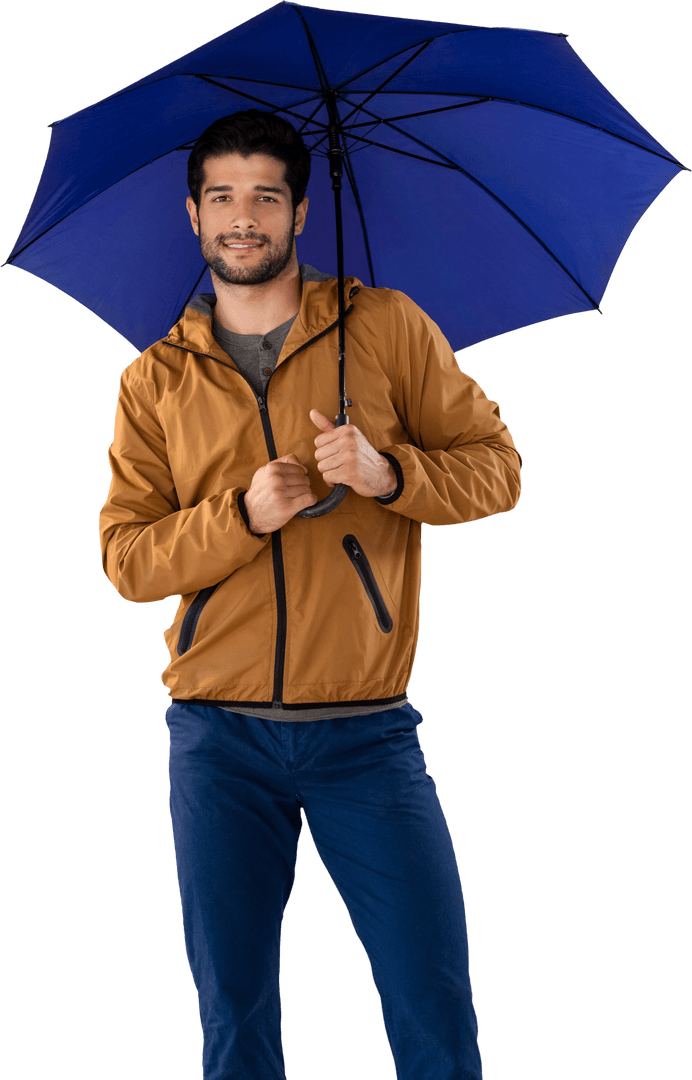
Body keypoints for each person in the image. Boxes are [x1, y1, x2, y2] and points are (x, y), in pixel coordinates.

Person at [99, 109, 522, 1080]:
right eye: (221, 197)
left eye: (263, 196)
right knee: (234, 1015)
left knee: (430, 997)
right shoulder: (152, 380)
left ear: (298, 211)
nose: (240, 217)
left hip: (365, 734)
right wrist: (239, 515)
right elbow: (127, 560)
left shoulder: (384, 326)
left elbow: (498, 470)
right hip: (216, 738)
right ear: (192, 214)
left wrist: (390, 476)